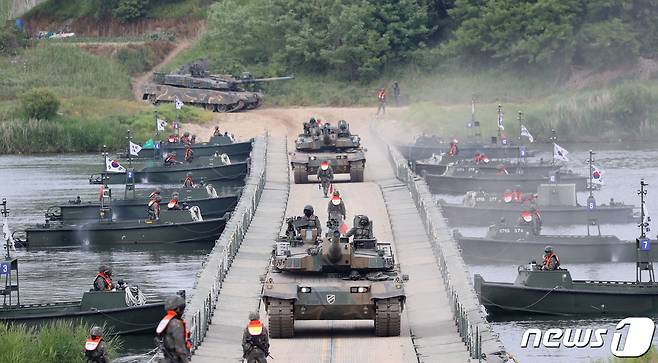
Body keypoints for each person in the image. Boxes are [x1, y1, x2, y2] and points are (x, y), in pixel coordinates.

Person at [156, 294, 191, 363]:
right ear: (178, 309)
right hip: (176, 359)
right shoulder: (176, 324)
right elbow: (180, 348)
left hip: (168, 357)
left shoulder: (168, 321)